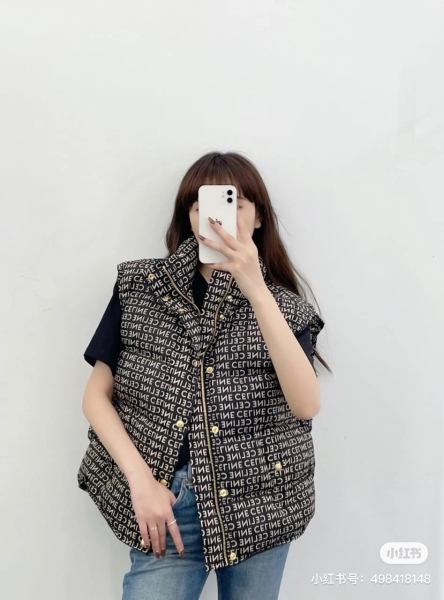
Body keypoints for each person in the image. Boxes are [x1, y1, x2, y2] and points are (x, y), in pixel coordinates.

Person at [78, 151, 330, 600]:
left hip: (261, 503)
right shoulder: (140, 287)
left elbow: (306, 404)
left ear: (258, 218)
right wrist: (141, 482)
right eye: (202, 206)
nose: (216, 219)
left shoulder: (284, 307)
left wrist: (255, 289)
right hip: (167, 504)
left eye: (235, 205)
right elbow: (96, 396)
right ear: (189, 217)